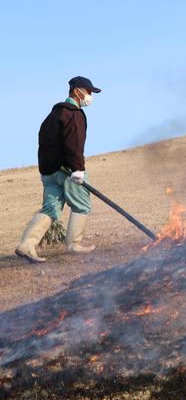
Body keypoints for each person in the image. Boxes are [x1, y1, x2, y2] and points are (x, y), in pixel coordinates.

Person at [15, 76, 101, 263]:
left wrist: (45, 170)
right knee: (82, 205)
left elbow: (43, 143)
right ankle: (74, 244)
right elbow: (74, 144)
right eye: (88, 92)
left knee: (51, 209)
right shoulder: (74, 114)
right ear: (77, 91)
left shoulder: (52, 115)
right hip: (67, 170)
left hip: (49, 171)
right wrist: (78, 169)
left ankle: (27, 244)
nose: (89, 96)